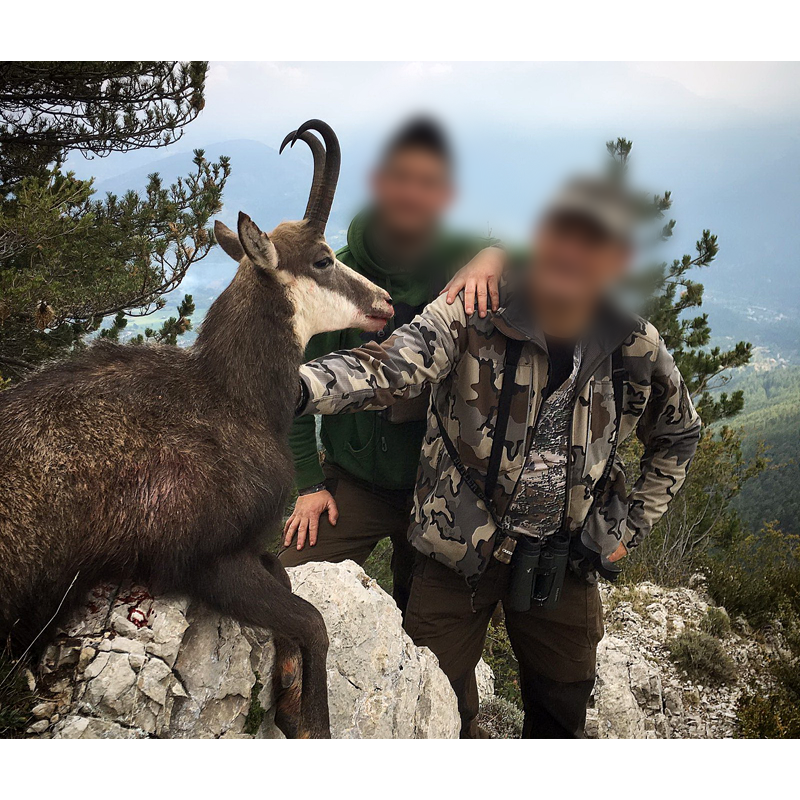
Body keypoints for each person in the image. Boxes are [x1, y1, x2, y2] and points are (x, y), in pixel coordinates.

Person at [295, 175, 702, 738]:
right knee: (429, 699)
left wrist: (630, 525)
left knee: (561, 710)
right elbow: (390, 366)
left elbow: (679, 434)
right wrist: (296, 387)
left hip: (566, 555)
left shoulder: (634, 346)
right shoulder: (476, 311)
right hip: (457, 550)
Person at [280, 116, 504, 614]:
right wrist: (309, 485)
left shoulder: (457, 260)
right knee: (290, 585)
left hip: (438, 487)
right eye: (401, 179)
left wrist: (495, 255)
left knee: (429, 626)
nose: (412, 194)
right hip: (353, 482)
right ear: (380, 184)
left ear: (444, 196)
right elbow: (290, 383)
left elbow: (543, 263)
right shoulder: (333, 274)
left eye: (428, 184)